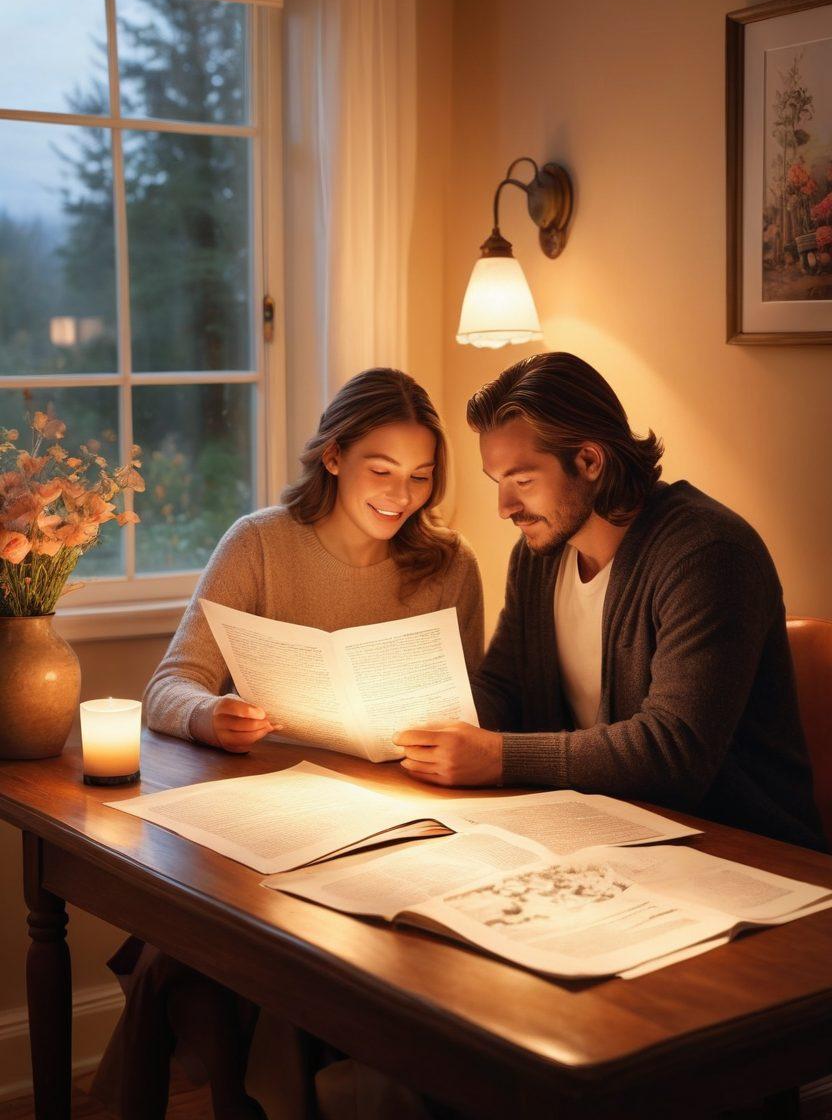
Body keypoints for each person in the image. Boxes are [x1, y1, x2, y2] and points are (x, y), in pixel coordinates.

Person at [91, 367, 484, 1120]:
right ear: (333, 456)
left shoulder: (450, 566)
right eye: (381, 470)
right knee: (252, 950)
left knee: (342, 959)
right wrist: (214, 715)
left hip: (401, 819)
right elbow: (169, 686)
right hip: (274, 821)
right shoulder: (261, 543)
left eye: (421, 476)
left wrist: (456, 742)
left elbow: (475, 705)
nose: (401, 495)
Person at [395, 351, 824, 853]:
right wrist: (414, 713)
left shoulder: (708, 554)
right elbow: (505, 688)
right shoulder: (537, 558)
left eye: (523, 481)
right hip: (602, 833)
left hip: (741, 850)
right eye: (499, 483)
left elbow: (673, 752)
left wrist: (498, 757)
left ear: (589, 461)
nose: (505, 508)